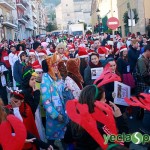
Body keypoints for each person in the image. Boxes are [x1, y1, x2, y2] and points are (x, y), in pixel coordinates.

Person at [64, 85, 129, 150]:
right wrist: (119, 118)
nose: (106, 101)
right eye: (104, 99)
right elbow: (123, 143)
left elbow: (67, 139)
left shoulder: (75, 120)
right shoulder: (102, 125)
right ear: (95, 102)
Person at [41, 53, 68, 149]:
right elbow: (46, 102)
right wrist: (56, 115)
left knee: (65, 138)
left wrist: (67, 89)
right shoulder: (45, 80)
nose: (56, 67)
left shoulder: (58, 77)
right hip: (54, 118)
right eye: (54, 65)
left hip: (64, 114)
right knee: (51, 141)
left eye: (57, 64)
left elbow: (62, 91)